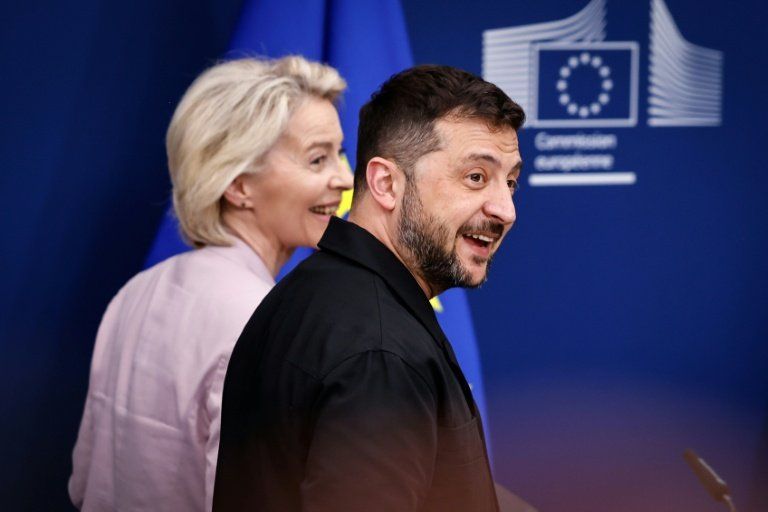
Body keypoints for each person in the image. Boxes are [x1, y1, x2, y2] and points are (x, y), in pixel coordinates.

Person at [213, 64, 525, 512]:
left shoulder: (314, 291)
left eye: (510, 182)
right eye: (476, 176)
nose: (505, 210)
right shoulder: (380, 354)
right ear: (386, 183)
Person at [69, 56, 352, 512]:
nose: (344, 178)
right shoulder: (270, 326)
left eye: (339, 154)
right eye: (318, 159)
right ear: (238, 185)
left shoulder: (135, 291)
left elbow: (85, 483)